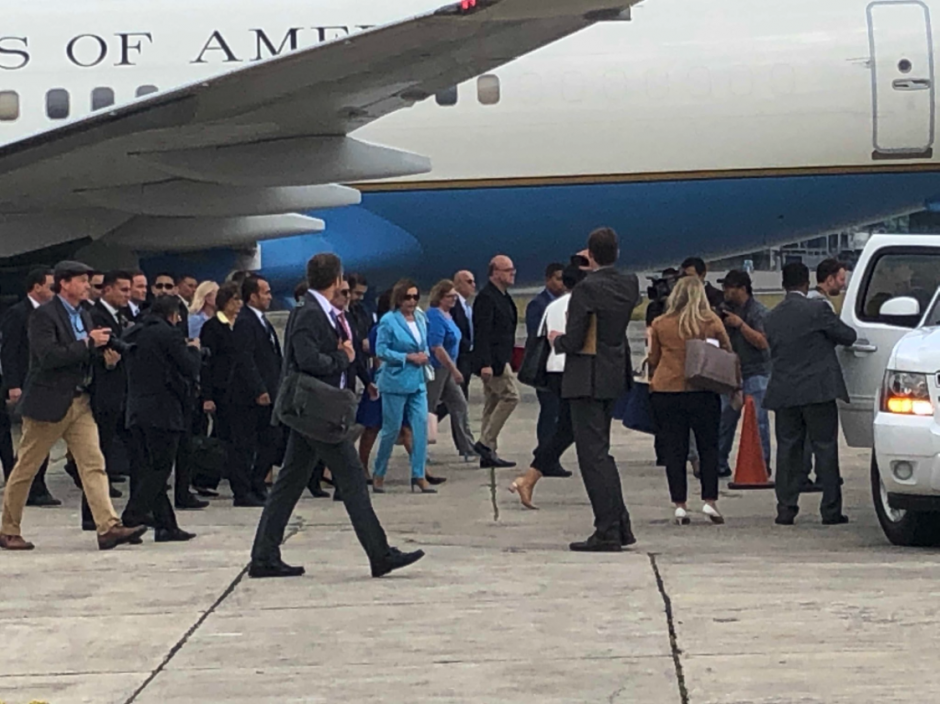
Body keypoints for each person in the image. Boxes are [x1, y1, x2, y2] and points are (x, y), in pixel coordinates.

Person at [249, 253, 425, 579]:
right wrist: (342, 357)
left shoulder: (326, 313)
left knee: (289, 484)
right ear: (335, 279)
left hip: (317, 412)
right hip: (317, 412)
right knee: (353, 480)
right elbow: (306, 359)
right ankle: (380, 553)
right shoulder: (308, 314)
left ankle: (264, 555)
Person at [0, 261, 147, 551]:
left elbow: (84, 353)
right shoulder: (44, 316)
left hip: (80, 401)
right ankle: (8, 528)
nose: (86, 286)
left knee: (94, 464)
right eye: (81, 281)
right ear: (64, 283)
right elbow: (48, 356)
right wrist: (88, 344)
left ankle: (108, 526)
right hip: (49, 403)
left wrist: (104, 358)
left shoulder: (84, 315)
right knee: (26, 468)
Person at [548, 228, 640, 552]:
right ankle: (619, 524)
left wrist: (555, 340)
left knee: (592, 457)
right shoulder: (630, 284)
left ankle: (607, 530)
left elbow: (574, 340)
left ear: (590, 253)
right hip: (613, 373)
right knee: (603, 453)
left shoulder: (587, 289)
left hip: (586, 376)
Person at [764, 263, 858, 526]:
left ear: (783, 284)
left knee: (787, 449)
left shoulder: (771, 317)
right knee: (825, 448)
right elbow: (848, 336)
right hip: (818, 390)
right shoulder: (817, 310)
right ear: (806, 283)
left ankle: (786, 508)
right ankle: (830, 510)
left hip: (784, 391)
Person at [649, 276, 731, 526]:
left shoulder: (660, 323)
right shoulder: (710, 322)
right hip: (702, 390)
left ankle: (680, 506)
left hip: (667, 391)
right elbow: (726, 351)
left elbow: (653, 358)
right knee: (708, 448)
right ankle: (709, 501)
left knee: (674, 449)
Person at [122, 295, 202, 542]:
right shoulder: (169, 334)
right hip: (163, 410)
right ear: (172, 314)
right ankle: (133, 513)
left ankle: (166, 526)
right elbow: (188, 367)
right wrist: (195, 350)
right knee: (160, 469)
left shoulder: (136, 331)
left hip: (136, 408)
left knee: (150, 467)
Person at [509, 263, 587, 509]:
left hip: (554, 369)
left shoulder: (552, 306)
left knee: (565, 425)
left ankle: (532, 475)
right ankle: (532, 473)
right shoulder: (582, 305)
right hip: (573, 369)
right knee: (571, 426)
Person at [0, 268, 59, 507]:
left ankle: (37, 484)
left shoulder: (50, 313)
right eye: (51, 286)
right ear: (36, 287)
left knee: (42, 435)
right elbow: (10, 350)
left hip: (44, 382)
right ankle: (32, 487)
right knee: (34, 437)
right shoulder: (18, 313)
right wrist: (12, 384)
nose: (54, 291)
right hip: (25, 381)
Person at [373, 280, 436, 494]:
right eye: (407, 297)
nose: (411, 301)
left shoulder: (420, 317)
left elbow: (424, 343)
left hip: (418, 380)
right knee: (391, 430)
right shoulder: (388, 321)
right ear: (399, 299)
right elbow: (381, 350)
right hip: (396, 381)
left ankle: (418, 474)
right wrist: (406, 357)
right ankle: (379, 472)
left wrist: (424, 354)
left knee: (420, 428)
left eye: (415, 297)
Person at [201, 282, 260, 506]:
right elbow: (207, 364)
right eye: (235, 300)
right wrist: (207, 396)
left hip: (245, 392)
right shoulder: (213, 327)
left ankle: (246, 485)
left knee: (246, 443)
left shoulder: (244, 325)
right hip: (223, 392)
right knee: (232, 443)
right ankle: (239, 490)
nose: (239, 304)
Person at [229, 275, 284, 505]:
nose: (269, 296)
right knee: (244, 444)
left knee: (271, 439)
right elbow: (245, 357)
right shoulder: (245, 321)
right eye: (265, 292)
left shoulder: (263, 321)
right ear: (253, 296)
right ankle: (242, 491)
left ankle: (257, 481)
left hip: (271, 389)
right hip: (249, 396)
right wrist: (258, 388)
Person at [717, 270, 771, 478]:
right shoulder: (724, 310)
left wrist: (740, 325)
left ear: (742, 289)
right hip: (729, 373)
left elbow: (763, 342)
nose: (725, 291)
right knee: (724, 419)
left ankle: (762, 464)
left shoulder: (758, 312)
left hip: (755, 371)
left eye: (729, 287)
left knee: (759, 420)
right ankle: (719, 463)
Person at [472, 256, 520, 469]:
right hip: (493, 361)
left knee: (492, 404)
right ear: (495, 273)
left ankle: (488, 453)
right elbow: (482, 333)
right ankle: (484, 443)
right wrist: (485, 363)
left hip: (502, 358)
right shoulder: (486, 298)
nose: (513, 273)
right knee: (510, 396)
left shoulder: (503, 296)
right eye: (508, 270)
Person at [525, 262, 570, 478]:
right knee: (549, 413)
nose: (561, 284)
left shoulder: (564, 304)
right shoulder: (539, 304)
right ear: (548, 279)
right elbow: (537, 337)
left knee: (556, 413)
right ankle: (545, 457)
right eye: (558, 279)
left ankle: (547, 455)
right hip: (545, 366)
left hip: (561, 366)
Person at [426, 280, 476, 461]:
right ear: (440, 297)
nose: (453, 299)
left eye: (455, 296)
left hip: (447, 368)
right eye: (449, 296)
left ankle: (467, 446)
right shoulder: (435, 317)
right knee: (429, 408)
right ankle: (419, 449)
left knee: (459, 404)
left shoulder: (447, 314)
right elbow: (436, 347)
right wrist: (454, 369)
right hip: (437, 368)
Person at [450, 270, 476, 399]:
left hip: (468, 356)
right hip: (459, 355)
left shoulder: (467, 305)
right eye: (469, 282)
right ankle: (432, 417)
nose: (474, 285)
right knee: (457, 398)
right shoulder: (454, 305)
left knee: (461, 397)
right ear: (458, 284)